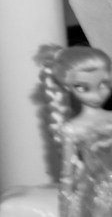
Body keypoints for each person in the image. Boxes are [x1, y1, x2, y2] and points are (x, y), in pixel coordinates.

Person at [43, 45, 112, 217]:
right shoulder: (72, 128)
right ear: (67, 87)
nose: (96, 95)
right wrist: (67, 208)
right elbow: (68, 176)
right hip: (98, 196)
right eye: (82, 87)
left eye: (104, 84)